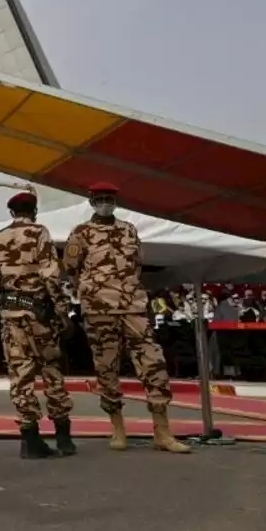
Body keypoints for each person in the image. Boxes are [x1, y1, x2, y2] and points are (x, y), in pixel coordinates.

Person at [63, 182, 190, 454]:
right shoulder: (81, 233)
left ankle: (162, 432)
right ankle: (118, 429)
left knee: (153, 364)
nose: (106, 202)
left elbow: (138, 264)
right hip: (99, 309)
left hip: (133, 306)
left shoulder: (128, 230)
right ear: (91, 201)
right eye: (101, 198)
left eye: (109, 198)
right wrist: (94, 289)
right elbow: (71, 268)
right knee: (106, 368)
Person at [0, 191, 75, 459]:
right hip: (39, 314)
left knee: (21, 376)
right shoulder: (39, 233)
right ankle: (63, 436)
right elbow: (51, 276)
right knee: (51, 370)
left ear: (12, 212)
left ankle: (30, 439)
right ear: (33, 210)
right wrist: (63, 312)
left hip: (11, 316)